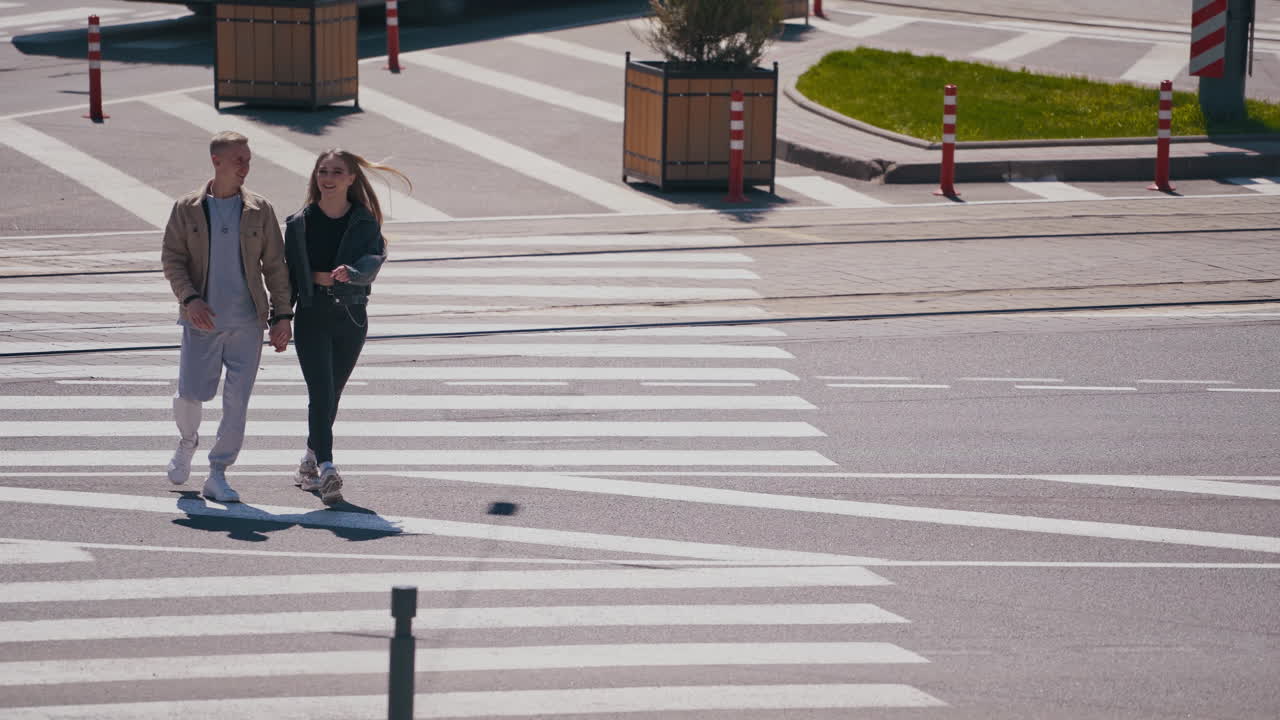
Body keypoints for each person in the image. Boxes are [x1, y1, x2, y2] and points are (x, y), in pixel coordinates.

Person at [161, 131, 293, 503]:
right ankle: (187, 442)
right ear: (216, 161)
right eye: (239, 159)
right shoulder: (187, 208)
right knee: (191, 392)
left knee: (237, 402)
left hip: (247, 323)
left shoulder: (259, 209)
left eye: (248, 159)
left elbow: (275, 266)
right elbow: (173, 259)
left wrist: (282, 316)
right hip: (200, 320)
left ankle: (218, 472)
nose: (245, 166)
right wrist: (190, 300)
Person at [285, 149, 407, 506]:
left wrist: (352, 274)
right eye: (323, 170)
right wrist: (279, 317)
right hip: (312, 314)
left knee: (331, 395)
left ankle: (308, 462)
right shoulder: (299, 222)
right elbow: (287, 273)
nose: (329, 177)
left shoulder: (364, 221)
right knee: (321, 393)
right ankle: (326, 468)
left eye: (337, 171)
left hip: (351, 315)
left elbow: (374, 258)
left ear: (351, 178)